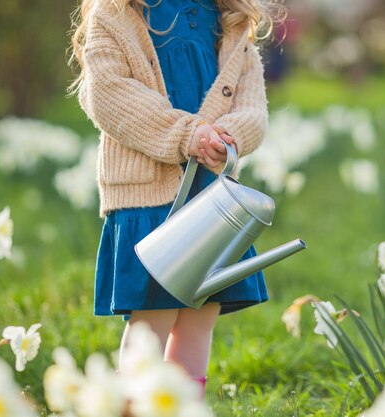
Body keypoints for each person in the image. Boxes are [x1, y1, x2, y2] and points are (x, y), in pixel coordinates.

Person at [68, 0, 285, 397]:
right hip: (149, 195)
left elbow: (252, 107)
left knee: (202, 313)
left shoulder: (229, 21)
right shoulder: (116, 15)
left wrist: (230, 136)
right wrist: (186, 133)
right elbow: (109, 95)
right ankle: (134, 405)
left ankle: (182, 405)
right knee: (155, 316)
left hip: (211, 198)